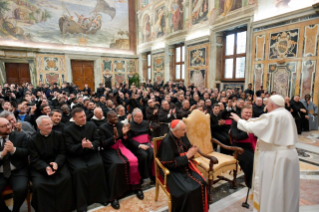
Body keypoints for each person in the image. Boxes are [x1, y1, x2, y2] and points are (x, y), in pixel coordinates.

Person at [230, 95, 300, 212]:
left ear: (272, 105)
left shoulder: (273, 115)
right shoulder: (286, 113)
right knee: (287, 189)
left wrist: (238, 119)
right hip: (289, 156)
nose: (266, 107)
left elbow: (250, 126)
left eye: (267, 104)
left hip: (277, 158)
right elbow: (259, 122)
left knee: (275, 189)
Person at [157, 120, 209, 212]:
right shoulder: (167, 142)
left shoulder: (182, 136)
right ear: (175, 131)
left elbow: (188, 148)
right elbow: (169, 163)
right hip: (173, 171)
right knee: (187, 191)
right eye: (183, 130)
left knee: (202, 182)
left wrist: (191, 151)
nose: (185, 131)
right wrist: (186, 156)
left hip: (184, 166)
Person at [63, 108, 108, 211]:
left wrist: (91, 144)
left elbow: (97, 140)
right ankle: (82, 203)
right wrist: (81, 146)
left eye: (84, 116)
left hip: (91, 153)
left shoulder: (91, 125)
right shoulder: (67, 129)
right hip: (76, 155)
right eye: (81, 117)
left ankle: (101, 197)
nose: (84, 118)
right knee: (79, 171)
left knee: (98, 165)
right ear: (74, 118)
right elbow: (69, 148)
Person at [28, 116, 74, 212]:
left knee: (66, 178)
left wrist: (57, 163)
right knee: (39, 185)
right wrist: (45, 167)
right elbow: (34, 159)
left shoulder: (59, 135)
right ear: (39, 127)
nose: (50, 126)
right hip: (40, 167)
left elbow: (62, 152)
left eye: (51, 123)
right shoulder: (32, 139)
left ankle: (64, 208)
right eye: (47, 124)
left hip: (58, 164)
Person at [99, 111, 143, 209]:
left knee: (134, 160)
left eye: (116, 116)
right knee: (116, 165)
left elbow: (125, 140)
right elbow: (103, 144)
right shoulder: (102, 128)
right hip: (110, 149)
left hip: (121, 147)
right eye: (113, 117)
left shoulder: (121, 124)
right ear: (107, 118)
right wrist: (116, 136)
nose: (116, 118)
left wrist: (124, 135)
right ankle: (114, 196)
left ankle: (136, 187)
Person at [0, 118, 29, 212]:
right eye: (4, 126)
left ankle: (15, 210)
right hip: (0, 173)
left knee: (21, 189)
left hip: (18, 170)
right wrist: (2, 154)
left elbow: (27, 152)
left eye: (8, 124)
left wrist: (14, 150)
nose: (8, 127)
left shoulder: (21, 136)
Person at [231, 106, 256, 188]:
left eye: (250, 113)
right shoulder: (236, 122)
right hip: (240, 147)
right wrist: (248, 131)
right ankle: (250, 183)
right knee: (252, 161)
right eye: (246, 113)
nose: (248, 114)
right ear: (241, 114)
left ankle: (259, 181)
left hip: (252, 145)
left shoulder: (253, 121)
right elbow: (235, 136)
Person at [127, 108, 153, 187]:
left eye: (141, 116)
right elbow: (129, 140)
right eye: (138, 117)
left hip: (147, 144)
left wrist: (151, 142)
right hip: (136, 146)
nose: (141, 118)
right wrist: (139, 145)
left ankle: (152, 175)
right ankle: (145, 178)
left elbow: (150, 134)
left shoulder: (145, 123)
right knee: (144, 155)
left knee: (152, 152)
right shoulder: (130, 125)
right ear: (134, 117)